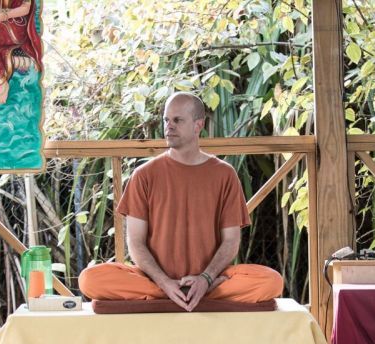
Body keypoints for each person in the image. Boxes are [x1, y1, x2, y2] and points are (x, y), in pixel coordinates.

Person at [78, 93, 284, 311]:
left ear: (198, 125)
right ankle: (176, 294)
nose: (169, 126)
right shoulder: (144, 175)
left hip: (210, 280)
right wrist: (165, 282)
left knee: (271, 281)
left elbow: (231, 241)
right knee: (90, 280)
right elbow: (136, 243)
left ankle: (186, 294)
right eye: (166, 120)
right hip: (155, 280)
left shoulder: (225, 174)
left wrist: (205, 279)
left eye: (177, 120)